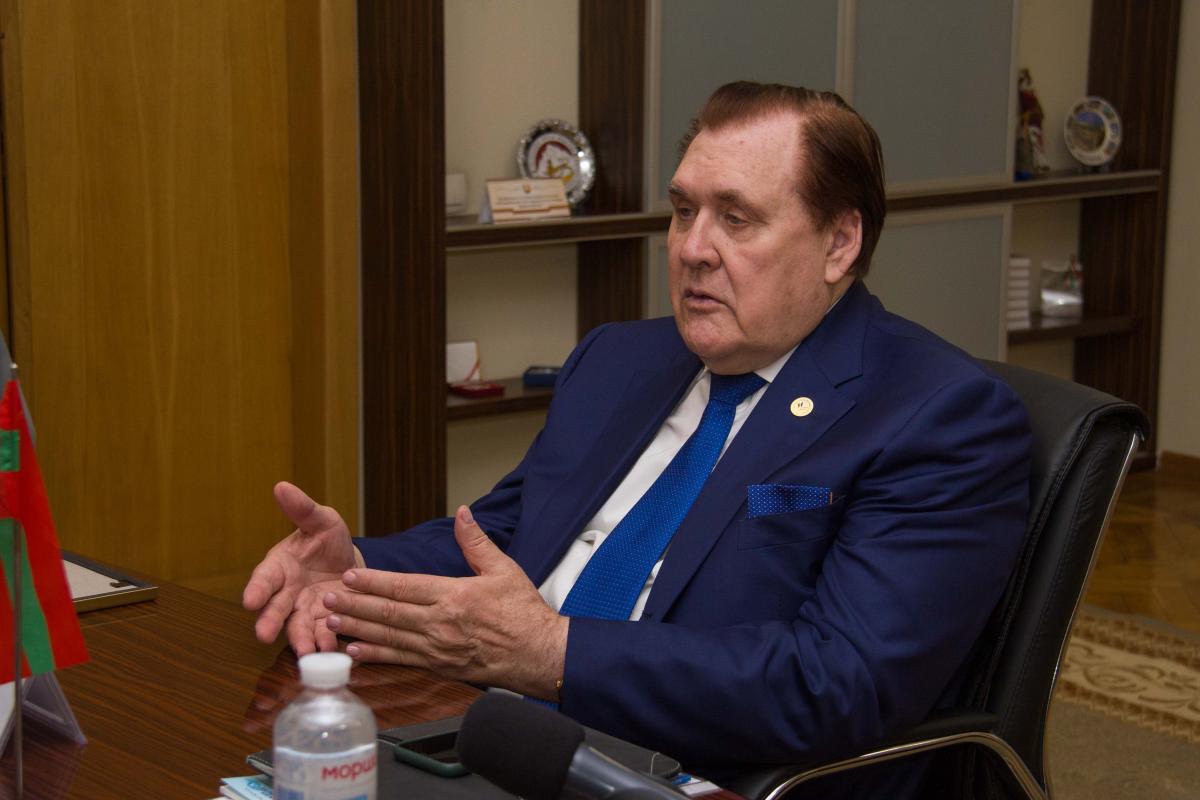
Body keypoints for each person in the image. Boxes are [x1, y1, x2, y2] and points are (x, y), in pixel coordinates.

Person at [244, 82, 1030, 797]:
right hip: (503, 745)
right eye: (684, 211)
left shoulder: (938, 416)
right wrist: (356, 569)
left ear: (839, 243)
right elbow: (510, 536)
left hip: (697, 776)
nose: (692, 248)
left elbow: (836, 683)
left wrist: (555, 653)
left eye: (736, 218)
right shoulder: (620, 360)